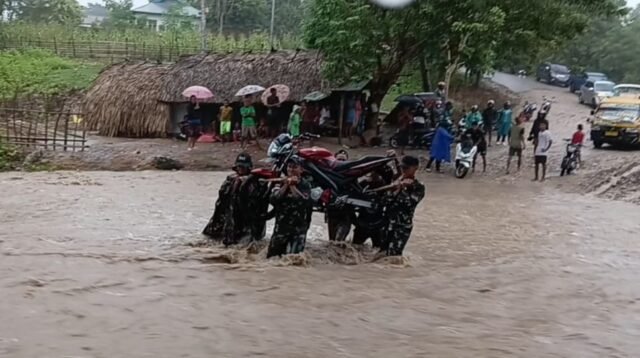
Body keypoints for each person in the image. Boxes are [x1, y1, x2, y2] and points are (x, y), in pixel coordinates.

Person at [202, 153, 254, 244]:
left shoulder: (255, 182)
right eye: (239, 166)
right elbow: (221, 202)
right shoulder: (230, 180)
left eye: (243, 167)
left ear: (248, 167)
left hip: (244, 224)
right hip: (227, 219)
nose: (240, 169)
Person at [266, 159, 313, 258]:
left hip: (298, 229)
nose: (291, 170)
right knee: (272, 259)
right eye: (289, 167)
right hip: (281, 227)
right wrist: (286, 185)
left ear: (301, 169)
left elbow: (303, 202)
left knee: (295, 260)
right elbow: (273, 200)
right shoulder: (280, 182)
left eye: (295, 167)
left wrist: (292, 186)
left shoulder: (305, 184)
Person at [380, 155, 425, 256]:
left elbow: (408, 204)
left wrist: (404, 189)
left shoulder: (418, 187)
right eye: (402, 167)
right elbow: (384, 201)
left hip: (402, 226)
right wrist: (395, 190)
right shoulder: (396, 180)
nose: (403, 170)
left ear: (415, 168)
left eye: (406, 168)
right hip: (387, 223)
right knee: (381, 252)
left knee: (394, 255)